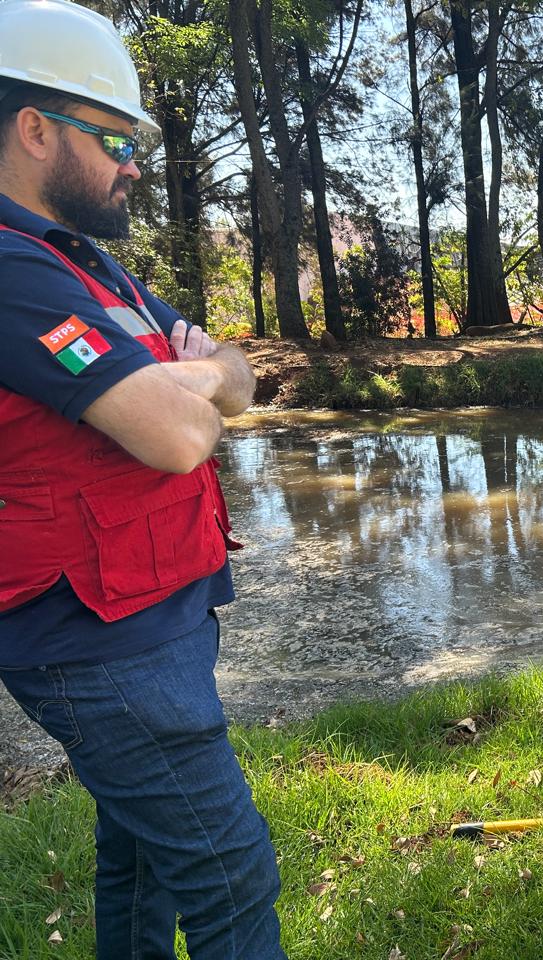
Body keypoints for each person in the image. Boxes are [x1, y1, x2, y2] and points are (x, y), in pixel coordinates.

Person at [0, 2, 286, 956]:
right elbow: (176, 436)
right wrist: (185, 382)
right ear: (35, 131)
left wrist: (186, 376)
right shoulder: (9, 272)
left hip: (153, 609)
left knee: (141, 859)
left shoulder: (88, 267)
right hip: (96, 637)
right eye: (114, 137)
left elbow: (241, 375)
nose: (133, 164)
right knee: (231, 874)